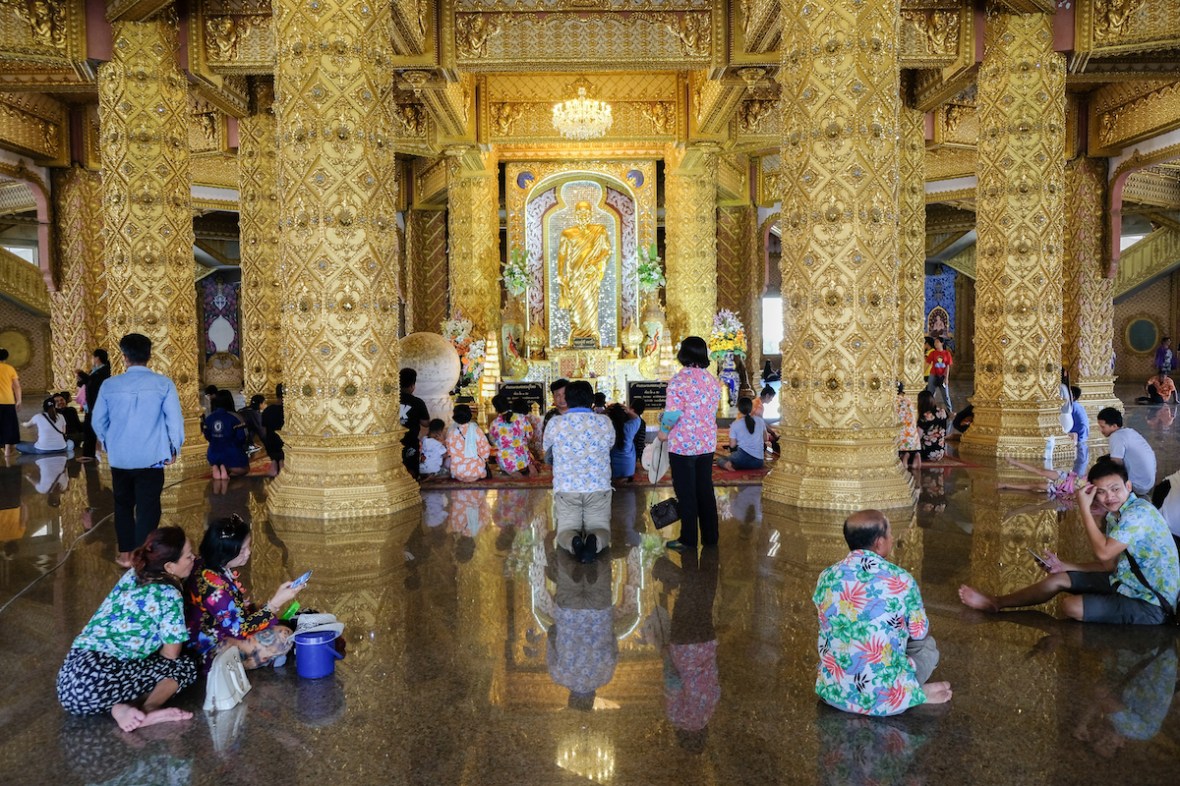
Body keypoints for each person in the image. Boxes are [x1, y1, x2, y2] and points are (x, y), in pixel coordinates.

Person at [960, 460, 1180, 624]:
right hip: (1124, 581)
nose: (1109, 497)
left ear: (1128, 487)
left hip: (1151, 602)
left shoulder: (1137, 514)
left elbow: (1104, 553)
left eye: (1115, 489)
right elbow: (1109, 566)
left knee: (1070, 607)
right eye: (1101, 492)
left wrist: (1084, 508)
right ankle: (997, 602)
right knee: (1057, 579)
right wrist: (1066, 566)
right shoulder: (1117, 514)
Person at [56, 526, 198, 732]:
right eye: (188, 556)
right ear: (169, 566)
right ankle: (148, 708)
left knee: (129, 670)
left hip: (70, 679)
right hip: (99, 678)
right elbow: (171, 653)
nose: (194, 558)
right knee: (186, 665)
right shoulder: (169, 593)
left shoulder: (134, 573)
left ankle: (119, 709)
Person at [814, 510, 952, 716]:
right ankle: (910, 694)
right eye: (890, 534)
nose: (892, 538)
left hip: (831, 693)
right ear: (879, 543)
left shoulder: (826, 576)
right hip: (885, 702)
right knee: (927, 647)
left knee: (841, 649)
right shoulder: (900, 580)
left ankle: (857, 690)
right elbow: (919, 632)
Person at [92, 334, 184, 567]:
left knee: (122, 505)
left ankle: (125, 555)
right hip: (151, 457)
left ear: (124, 357)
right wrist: (174, 447)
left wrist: (109, 442)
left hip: (120, 458)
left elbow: (98, 421)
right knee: (148, 507)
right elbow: (174, 421)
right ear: (149, 355)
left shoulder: (109, 385)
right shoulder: (163, 384)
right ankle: (141, 557)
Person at [186, 515, 303, 671]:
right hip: (212, 649)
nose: (248, 553)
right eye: (241, 551)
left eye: (248, 546)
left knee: (269, 620)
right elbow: (241, 631)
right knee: (282, 638)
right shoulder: (215, 588)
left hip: (219, 631)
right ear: (225, 553)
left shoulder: (207, 564)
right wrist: (275, 603)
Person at [660, 337, 722, 553]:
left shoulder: (678, 381)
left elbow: (673, 414)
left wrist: (662, 433)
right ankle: (711, 536)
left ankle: (688, 539)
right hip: (706, 444)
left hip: (683, 446)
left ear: (683, 354)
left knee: (686, 493)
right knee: (705, 489)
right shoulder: (712, 381)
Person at [543, 380, 614, 562]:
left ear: (567, 399)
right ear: (591, 400)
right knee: (601, 528)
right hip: (598, 487)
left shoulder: (555, 423)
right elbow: (610, 445)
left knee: (565, 530)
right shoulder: (604, 422)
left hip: (567, 487)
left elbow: (547, 453)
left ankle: (573, 540)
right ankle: (594, 540)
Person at [556, 200, 611, 343]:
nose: (583, 214)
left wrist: (596, 262)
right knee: (576, 309)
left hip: (590, 277)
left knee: (590, 305)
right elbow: (561, 256)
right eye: (580, 211)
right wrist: (561, 277)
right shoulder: (567, 233)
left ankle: (591, 336)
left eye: (586, 211)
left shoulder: (599, 230)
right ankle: (577, 336)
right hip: (575, 277)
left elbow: (606, 250)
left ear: (591, 214)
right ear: (575, 214)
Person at [1096, 407, 1157, 494]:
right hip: (1148, 483)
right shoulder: (1129, 432)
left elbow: (1116, 464)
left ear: (1114, 426)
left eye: (1103, 427)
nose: (1100, 430)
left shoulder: (1116, 436)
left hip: (1138, 486)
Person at [202, 389, 249, 480]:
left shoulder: (209, 417)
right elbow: (242, 437)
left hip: (213, 452)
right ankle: (225, 467)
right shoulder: (235, 417)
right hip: (231, 452)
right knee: (245, 469)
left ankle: (217, 466)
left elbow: (207, 436)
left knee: (218, 455)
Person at [488, 393, 534, 477]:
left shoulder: (494, 424)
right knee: (525, 452)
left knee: (501, 456)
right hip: (523, 457)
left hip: (505, 461)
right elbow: (530, 435)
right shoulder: (521, 417)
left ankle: (512, 472)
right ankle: (527, 468)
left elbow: (493, 442)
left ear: (495, 408)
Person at [717, 397, 766, 471]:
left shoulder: (735, 424)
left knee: (720, 459)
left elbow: (732, 445)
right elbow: (766, 438)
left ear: (739, 409)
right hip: (759, 462)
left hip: (741, 459)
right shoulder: (760, 420)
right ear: (751, 408)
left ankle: (729, 465)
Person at [79, 349, 110, 462]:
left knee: (92, 428)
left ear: (97, 358)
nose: (92, 359)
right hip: (90, 404)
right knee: (88, 429)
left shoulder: (104, 371)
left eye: (93, 357)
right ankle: (88, 454)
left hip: (98, 404)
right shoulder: (95, 370)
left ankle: (91, 453)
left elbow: (94, 383)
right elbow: (88, 383)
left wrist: (82, 374)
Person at [445, 404, 490, 482]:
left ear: (455, 417)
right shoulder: (476, 430)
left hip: (457, 471)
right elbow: (485, 450)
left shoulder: (451, 433)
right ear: (469, 415)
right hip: (476, 470)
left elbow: (449, 452)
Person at [399, 368, 430, 480]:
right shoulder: (417, 402)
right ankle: (412, 485)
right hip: (410, 441)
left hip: (392, 442)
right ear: (412, 385)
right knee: (411, 466)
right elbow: (425, 423)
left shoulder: (390, 400)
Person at [997, 456, 1078, 498]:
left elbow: (1085, 493)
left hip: (1063, 489)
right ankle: (1014, 462)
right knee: (1040, 471)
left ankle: (1005, 485)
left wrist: (1073, 495)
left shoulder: (1090, 489)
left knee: (1035, 485)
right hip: (1067, 478)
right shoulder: (1089, 480)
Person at [605, 402, 641, 480]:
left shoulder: (606, 427)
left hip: (611, 470)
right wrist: (628, 410)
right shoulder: (630, 427)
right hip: (629, 469)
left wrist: (604, 411)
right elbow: (637, 419)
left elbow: (597, 418)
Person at [0, 347, 21, 458]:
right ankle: (7, 451)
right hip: (8, 401)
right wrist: (19, 400)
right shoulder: (9, 368)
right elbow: (16, 386)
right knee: (8, 426)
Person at [916, 390, 947, 463]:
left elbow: (918, 436)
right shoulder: (942, 412)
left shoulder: (925, 416)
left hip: (926, 452)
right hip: (940, 452)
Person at [261, 383, 285, 477]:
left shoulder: (268, 410)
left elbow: (264, 429)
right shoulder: (290, 410)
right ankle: (282, 462)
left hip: (271, 444)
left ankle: (274, 462)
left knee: (271, 438)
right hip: (285, 444)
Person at [924, 336, 952, 410]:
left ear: (942, 343)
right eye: (935, 342)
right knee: (930, 394)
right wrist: (921, 374)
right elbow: (927, 364)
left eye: (937, 342)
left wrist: (946, 378)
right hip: (933, 375)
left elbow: (947, 366)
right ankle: (929, 410)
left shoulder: (947, 353)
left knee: (946, 395)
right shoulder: (933, 353)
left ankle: (950, 411)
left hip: (942, 376)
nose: (935, 344)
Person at [897, 383, 920, 470]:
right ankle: (912, 456)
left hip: (901, 439)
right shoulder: (908, 400)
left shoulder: (892, 401)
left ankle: (904, 457)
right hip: (912, 439)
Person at [752, 385, 781, 453]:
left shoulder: (755, 402)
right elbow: (761, 424)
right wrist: (773, 433)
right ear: (767, 395)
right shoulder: (759, 406)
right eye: (771, 398)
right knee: (770, 441)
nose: (771, 400)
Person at [541, 378, 569, 445]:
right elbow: (546, 439)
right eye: (558, 395)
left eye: (564, 394)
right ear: (553, 397)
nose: (562, 399)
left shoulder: (577, 414)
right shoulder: (550, 415)